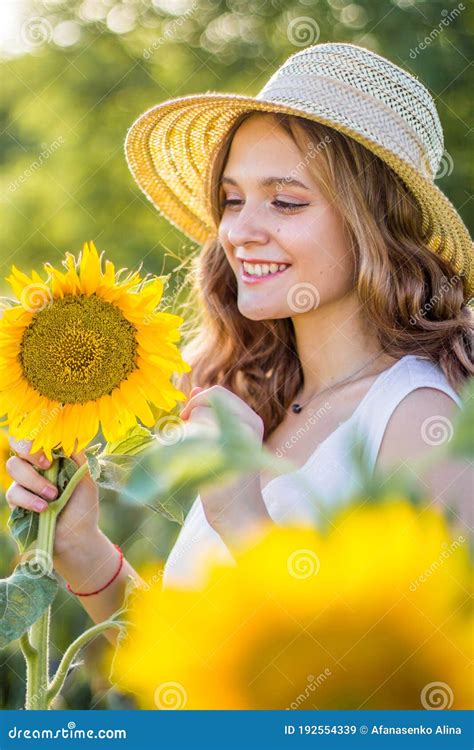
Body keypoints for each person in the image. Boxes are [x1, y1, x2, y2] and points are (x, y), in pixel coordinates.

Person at [5, 43, 473, 640]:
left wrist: (242, 515)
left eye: (285, 201)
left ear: (375, 224)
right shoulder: (265, 403)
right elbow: (193, 681)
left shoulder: (418, 420)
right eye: (232, 199)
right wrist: (82, 549)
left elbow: (421, 713)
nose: (239, 232)